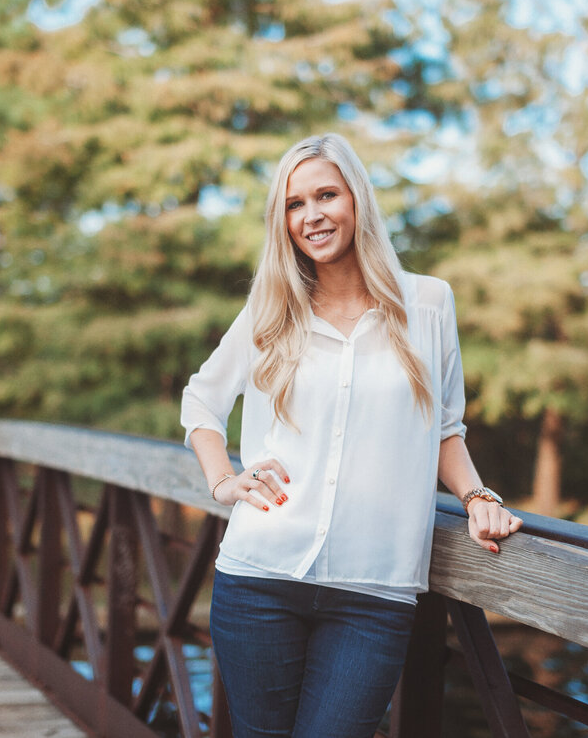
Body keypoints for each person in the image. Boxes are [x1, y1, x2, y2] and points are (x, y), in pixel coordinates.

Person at [180, 133, 522, 738]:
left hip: (374, 590)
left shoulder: (429, 304)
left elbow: (444, 427)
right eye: (294, 204)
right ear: (283, 221)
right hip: (259, 576)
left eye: (326, 195)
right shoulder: (271, 308)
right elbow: (202, 400)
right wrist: (225, 481)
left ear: (357, 199)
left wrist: (477, 498)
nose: (311, 215)